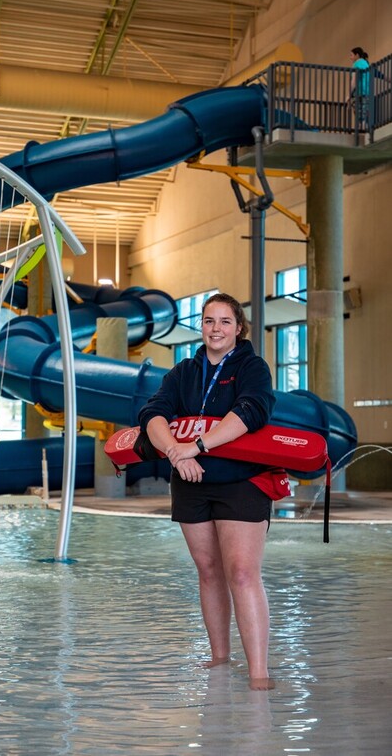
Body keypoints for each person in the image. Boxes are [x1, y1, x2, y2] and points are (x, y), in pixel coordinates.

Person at [138, 293, 277, 690]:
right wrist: (176, 454)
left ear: (239, 328)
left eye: (225, 322)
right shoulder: (184, 371)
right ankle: (219, 658)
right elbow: (153, 413)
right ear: (201, 326)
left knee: (243, 574)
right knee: (209, 572)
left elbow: (251, 411)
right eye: (209, 321)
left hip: (242, 482)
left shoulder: (252, 367)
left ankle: (259, 675)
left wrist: (196, 447)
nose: (216, 329)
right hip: (191, 483)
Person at [347, 47, 370, 128]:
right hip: (367, 92)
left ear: (357, 55)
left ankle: (360, 130)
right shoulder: (366, 64)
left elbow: (354, 81)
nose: (350, 57)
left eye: (351, 55)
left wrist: (349, 95)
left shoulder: (356, 64)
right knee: (364, 113)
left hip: (359, 92)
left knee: (358, 113)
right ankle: (364, 129)